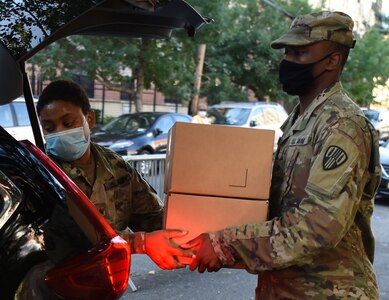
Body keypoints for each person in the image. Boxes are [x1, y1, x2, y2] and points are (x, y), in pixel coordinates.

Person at [181, 11, 381, 299]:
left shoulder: (342, 125)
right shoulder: (300, 120)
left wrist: (227, 243)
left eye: (300, 53)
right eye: (287, 52)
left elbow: (319, 225)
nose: (288, 62)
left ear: (332, 60)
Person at [16, 80, 190, 299]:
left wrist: (192, 235)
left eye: (68, 123)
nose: (59, 133)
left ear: (89, 119)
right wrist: (143, 243)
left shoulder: (115, 166)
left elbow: (153, 216)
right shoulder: (41, 175)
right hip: (56, 290)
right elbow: (74, 239)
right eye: (49, 128)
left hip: (106, 286)